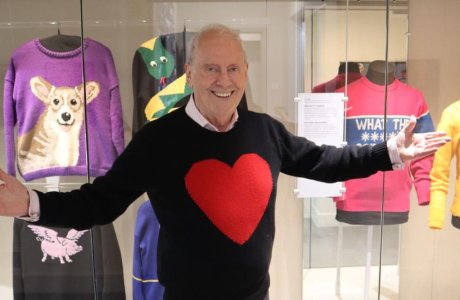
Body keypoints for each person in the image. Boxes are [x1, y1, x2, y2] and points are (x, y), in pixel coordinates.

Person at [0, 24, 451, 300]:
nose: (224, 80)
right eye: (212, 69)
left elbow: (325, 162)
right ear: (191, 74)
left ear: (245, 74)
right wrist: (31, 204)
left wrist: (391, 152)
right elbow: (100, 203)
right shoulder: (160, 140)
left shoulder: (265, 131)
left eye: (233, 69)